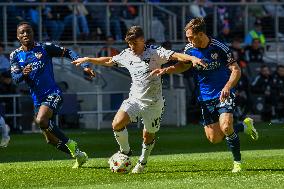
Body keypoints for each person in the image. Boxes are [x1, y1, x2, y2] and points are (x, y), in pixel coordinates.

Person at [72, 25, 206, 173]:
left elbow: (176, 55)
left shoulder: (155, 52)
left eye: (134, 43)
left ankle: (142, 162)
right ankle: (126, 151)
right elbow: (109, 60)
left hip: (153, 103)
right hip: (135, 99)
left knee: (148, 135)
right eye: (129, 44)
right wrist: (89, 59)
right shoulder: (127, 54)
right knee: (117, 123)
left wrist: (192, 58)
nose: (132, 47)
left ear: (142, 40)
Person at [150, 18, 259, 173]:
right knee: (214, 139)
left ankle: (237, 162)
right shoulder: (189, 49)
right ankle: (244, 127)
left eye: (190, 37)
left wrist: (228, 86)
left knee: (226, 126)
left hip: (223, 92)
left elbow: (236, 70)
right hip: (205, 97)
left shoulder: (219, 47)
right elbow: (183, 66)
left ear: (200, 34)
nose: (188, 40)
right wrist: (166, 70)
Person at [10, 22, 96, 168]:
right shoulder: (15, 55)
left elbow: (68, 52)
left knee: (41, 120)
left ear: (33, 33)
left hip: (53, 93)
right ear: (18, 36)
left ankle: (71, 144)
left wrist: (85, 66)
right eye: (22, 33)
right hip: (37, 99)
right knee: (50, 140)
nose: (26, 34)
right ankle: (78, 155)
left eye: (28, 31)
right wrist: (23, 74)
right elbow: (16, 79)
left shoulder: (44, 48)